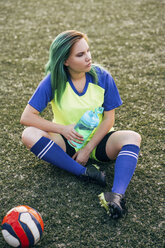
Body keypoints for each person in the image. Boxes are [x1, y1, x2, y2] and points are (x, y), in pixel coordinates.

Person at [20, 30, 141, 219]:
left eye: (88, 51)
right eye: (80, 54)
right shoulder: (53, 81)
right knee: (29, 134)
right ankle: (84, 173)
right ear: (65, 61)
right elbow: (27, 117)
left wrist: (88, 148)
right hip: (67, 142)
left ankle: (116, 196)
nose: (88, 58)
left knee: (133, 137)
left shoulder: (102, 77)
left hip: (99, 142)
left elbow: (109, 119)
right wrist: (64, 130)